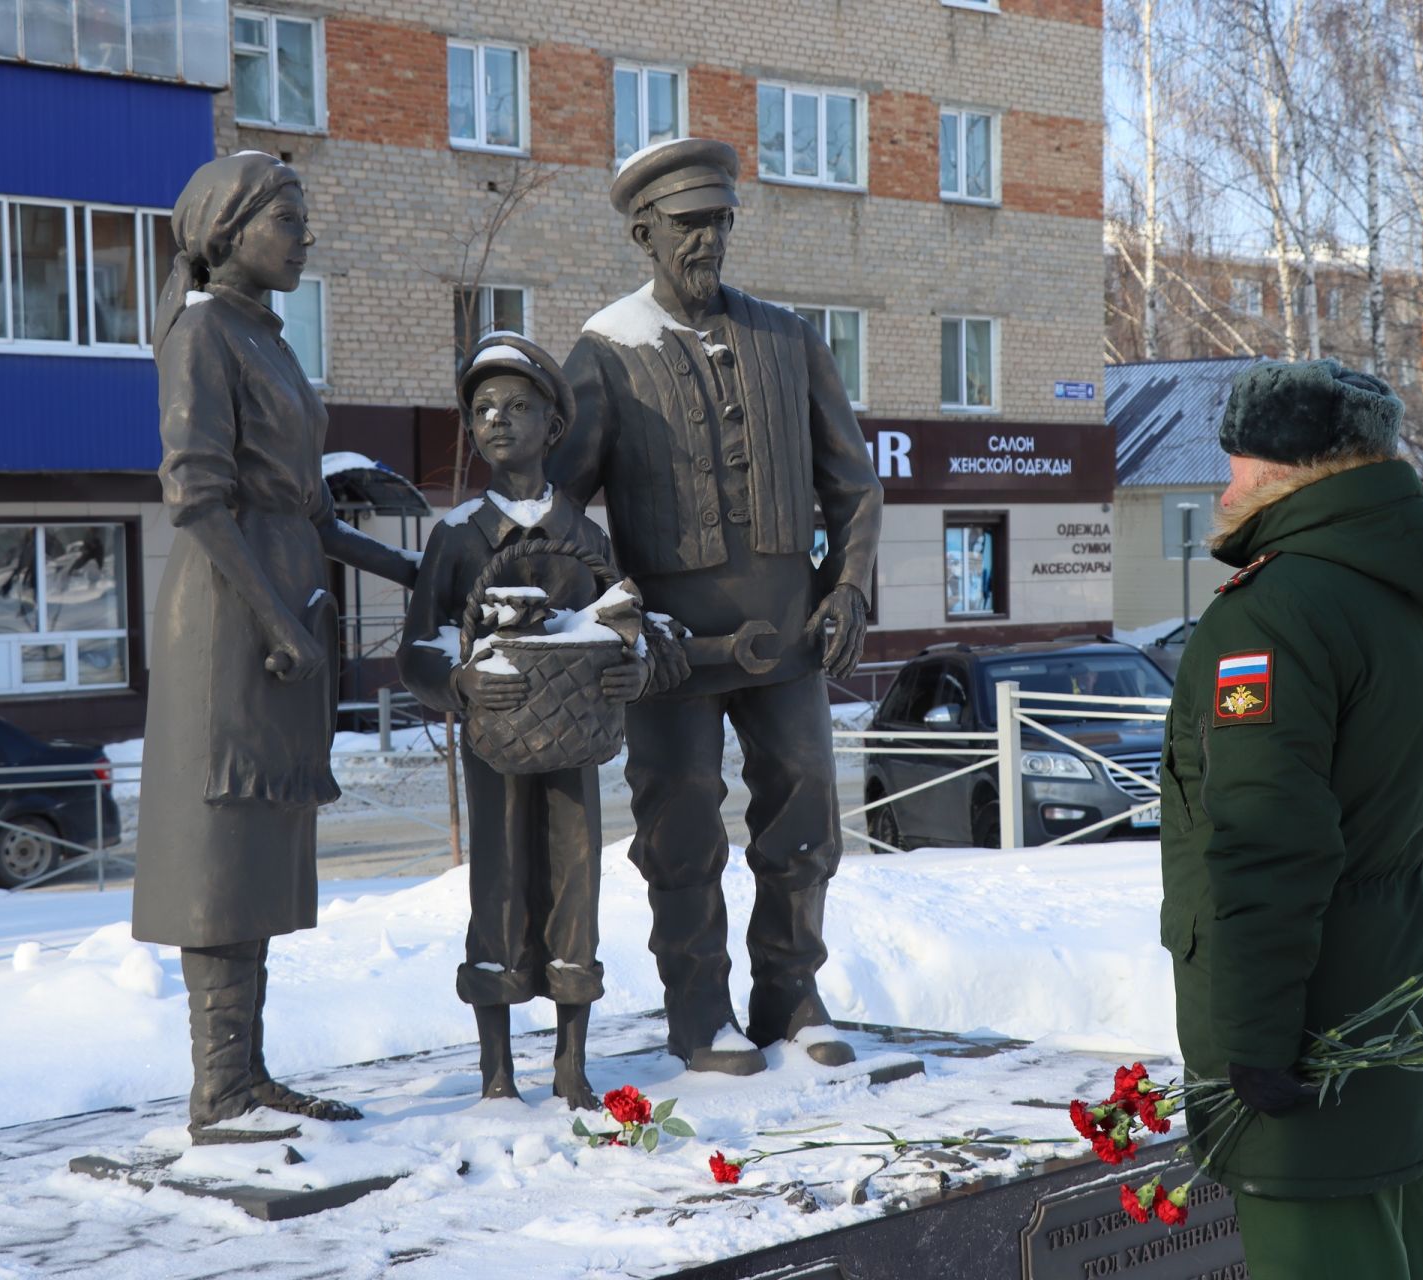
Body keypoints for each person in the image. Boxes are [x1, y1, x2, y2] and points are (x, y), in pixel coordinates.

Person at [551, 139, 884, 1076]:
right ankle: (700, 1014)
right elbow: (563, 508)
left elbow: (853, 485)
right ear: (643, 232)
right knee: (682, 831)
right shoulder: (607, 351)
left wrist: (850, 585)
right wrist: (614, 607)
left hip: (788, 639)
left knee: (806, 818)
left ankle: (791, 995)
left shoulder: (790, 338)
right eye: (690, 224)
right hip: (668, 657)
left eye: (721, 220)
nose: (710, 240)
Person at [1159, 359, 1423, 1278]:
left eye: (1235, 462)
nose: (1225, 486)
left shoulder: (1277, 612)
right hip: (1400, 992)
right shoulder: (1407, 588)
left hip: (1308, 1025)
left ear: (1284, 470)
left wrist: (1251, 1044)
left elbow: (1265, 843)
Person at [133, 152, 418, 1144]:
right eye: (288, 216)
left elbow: (310, 511)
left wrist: (420, 570)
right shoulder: (205, 330)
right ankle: (219, 1088)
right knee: (217, 846)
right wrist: (274, 621)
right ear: (230, 227)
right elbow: (198, 500)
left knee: (253, 855)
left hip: (278, 615)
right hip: (228, 622)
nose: (306, 235)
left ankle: (246, 1073)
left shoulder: (266, 338)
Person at [398, 333, 647, 1109]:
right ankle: (496, 1067)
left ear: (553, 425)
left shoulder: (585, 533)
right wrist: (457, 678)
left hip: (574, 739)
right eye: (482, 411)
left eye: (517, 407)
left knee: (578, 885)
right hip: (497, 740)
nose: (498, 422)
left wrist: (630, 668)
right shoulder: (458, 534)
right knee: (499, 887)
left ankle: (571, 1063)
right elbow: (417, 647)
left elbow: (625, 624)